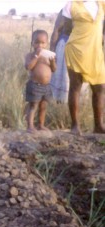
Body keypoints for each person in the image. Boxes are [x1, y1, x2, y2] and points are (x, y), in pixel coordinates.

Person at [52, 1, 105, 134]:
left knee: (100, 87)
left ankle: (98, 126)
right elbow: (62, 28)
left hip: (95, 51)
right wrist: (52, 51)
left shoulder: (101, 3)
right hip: (76, 49)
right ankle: (75, 126)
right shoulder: (71, 5)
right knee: (76, 86)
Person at [24, 29, 57, 133]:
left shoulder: (48, 56)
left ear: (46, 43)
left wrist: (52, 62)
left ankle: (40, 125)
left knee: (43, 106)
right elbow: (29, 67)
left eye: (43, 43)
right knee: (33, 105)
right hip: (35, 85)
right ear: (32, 43)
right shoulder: (30, 55)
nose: (40, 45)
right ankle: (30, 126)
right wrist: (36, 56)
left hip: (46, 86)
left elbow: (54, 70)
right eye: (37, 42)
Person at [50, 10, 73, 103]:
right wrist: (52, 51)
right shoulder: (68, 8)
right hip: (65, 46)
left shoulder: (95, 8)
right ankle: (60, 105)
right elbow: (57, 29)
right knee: (63, 77)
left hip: (84, 49)